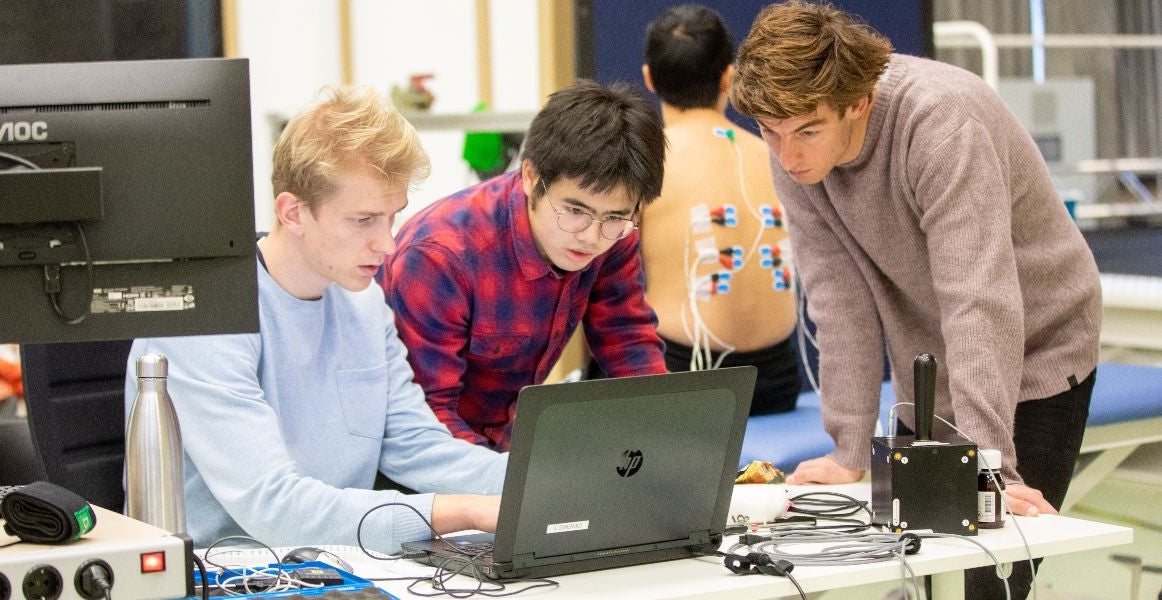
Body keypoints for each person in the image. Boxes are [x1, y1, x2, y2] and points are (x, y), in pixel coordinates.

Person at [731, 2, 1100, 596]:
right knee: (915, 557)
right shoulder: (792, 152)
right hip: (931, 351)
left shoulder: (940, 122)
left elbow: (979, 298)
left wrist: (990, 467)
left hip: (1038, 341)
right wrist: (848, 447)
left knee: (994, 561)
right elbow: (838, 301)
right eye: (769, 134)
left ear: (859, 102)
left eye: (806, 132)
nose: (787, 155)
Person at [125, 85, 506, 554]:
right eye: (364, 220)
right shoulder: (204, 314)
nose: (387, 245)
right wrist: (462, 511)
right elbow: (273, 507)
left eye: (393, 218)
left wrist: (544, 478)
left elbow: (416, 445)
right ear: (293, 212)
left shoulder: (364, 302)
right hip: (224, 574)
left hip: (340, 563)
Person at [378, 80, 668, 451]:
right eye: (574, 211)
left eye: (615, 216)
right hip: (420, 458)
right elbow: (427, 418)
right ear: (531, 176)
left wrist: (665, 436)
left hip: (503, 443)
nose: (592, 237)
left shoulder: (614, 235)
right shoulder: (441, 257)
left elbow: (626, 337)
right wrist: (511, 484)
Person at [640, 4, 800, 415]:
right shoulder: (778, 156)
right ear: (729, 77)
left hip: (683, 378)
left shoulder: (644, 162)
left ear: (649, 78)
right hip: (777, 381)